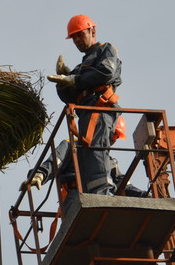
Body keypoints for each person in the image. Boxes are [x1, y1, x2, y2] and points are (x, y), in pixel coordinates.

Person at [45, 14, 122, 196]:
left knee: (96, 149)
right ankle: (93, 193)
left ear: (92, 31)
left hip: (100, 108)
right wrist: (63, 82)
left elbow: (105, 72)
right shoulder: (81, 67)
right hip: (86, 112)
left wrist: (74, 79)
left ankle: (103, 194)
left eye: (80, 34)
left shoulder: (106, 50)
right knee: (87, 153)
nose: (77, 40)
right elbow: (70, 98)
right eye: (74, 38)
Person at [22, 116, 146, 211]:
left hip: (106, 198)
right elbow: (56, 160)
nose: (114, 139)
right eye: (114, 134)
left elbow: (123, 183)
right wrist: (39, 174)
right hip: (77, 197)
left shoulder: (109, 160)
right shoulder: (73, 145)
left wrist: (145, 196)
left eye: (117, 137)